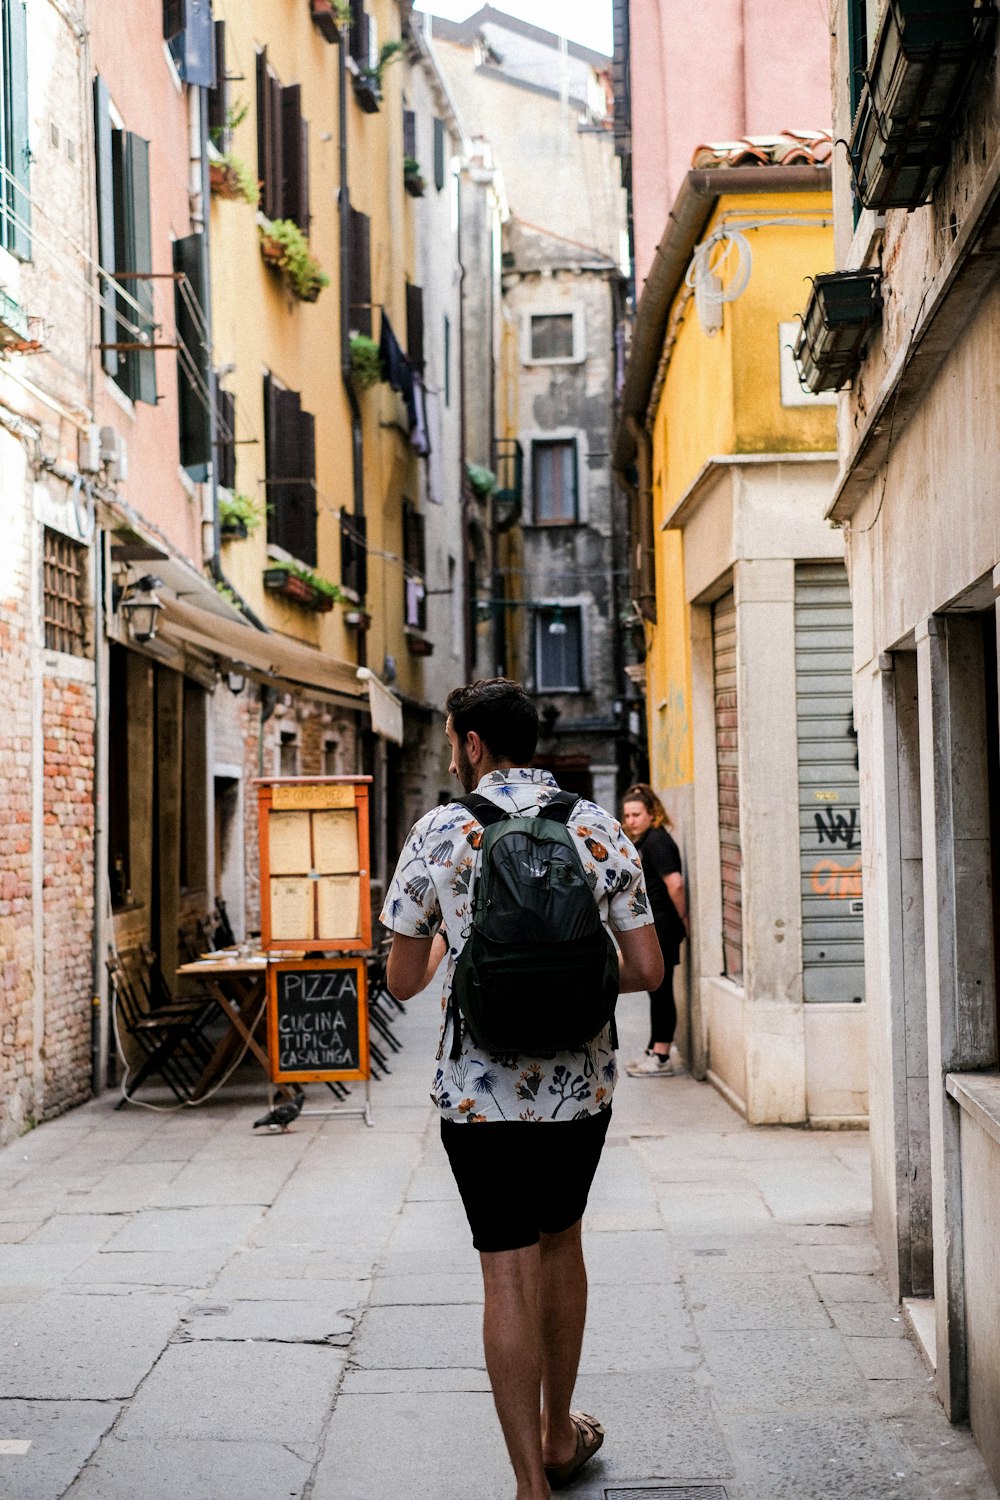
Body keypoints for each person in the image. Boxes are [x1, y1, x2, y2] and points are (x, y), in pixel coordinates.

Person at [382, 679, 663, 1500]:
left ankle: (525, 1486)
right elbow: (647, 968)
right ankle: (556, 1435)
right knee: (562, 1244)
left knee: (503, 1270)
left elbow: (401, 982)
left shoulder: (439, 830)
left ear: (470, 743)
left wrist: (455, 950)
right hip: (578, 1090)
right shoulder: (596, 824)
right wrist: (569, 976)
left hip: (477, 1093)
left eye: (449, 739)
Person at [620, 783, 687, 1078]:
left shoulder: (658, 842)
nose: (631, 820)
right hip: (656, 925)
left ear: (652, 814)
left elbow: (676, 884)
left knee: (660, 990)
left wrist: (685, 921)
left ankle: (661, 1056)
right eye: (627, 815)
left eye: (636, 814)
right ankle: (652, 1049)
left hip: (664, 925)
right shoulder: (648, 841)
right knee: (654, 989)